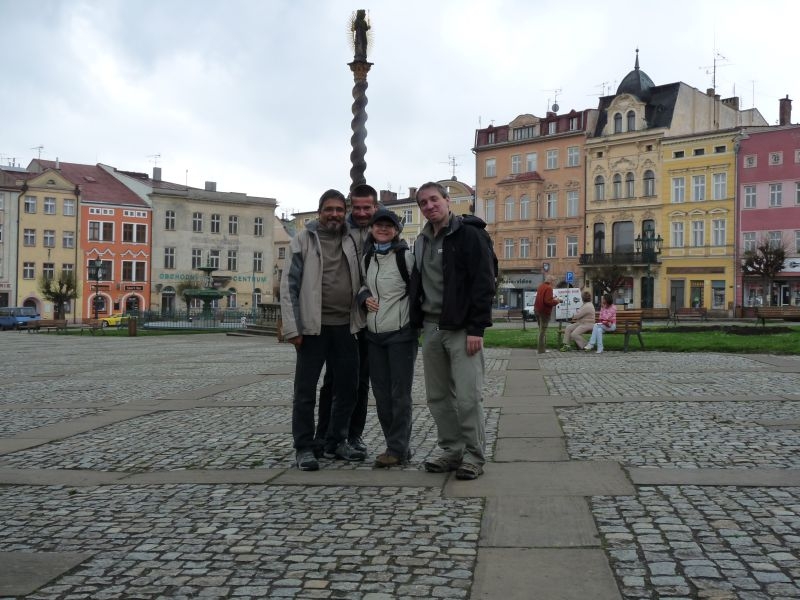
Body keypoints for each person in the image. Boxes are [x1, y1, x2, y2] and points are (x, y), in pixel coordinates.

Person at [409, 182, 495, 480]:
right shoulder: (421, 241)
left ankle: (473, 455)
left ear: (447, 201)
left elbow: (483, 282)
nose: (429, 206)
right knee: (438, 397)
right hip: (431, 326)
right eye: (423, 203)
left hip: (461, 328)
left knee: (468, 397)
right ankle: (451, 449)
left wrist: (476, 328)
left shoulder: (470, 234)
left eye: (434, 199)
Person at [280, 189, 366, 471]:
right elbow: (289, 286)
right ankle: (304, 447)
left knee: (348, 388)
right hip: (312, 328)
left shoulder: (352, 239)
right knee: (305, 391)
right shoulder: (303, 239)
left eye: (339, 210)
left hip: (346, 326)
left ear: (345, 213)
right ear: (319, 212)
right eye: (329, 209)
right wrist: (292, 328)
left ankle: (335, 441)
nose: (334, 214)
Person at [315, 184, 378, 456]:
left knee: (360, 381)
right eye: (357, 207)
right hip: (343, 316)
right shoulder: (342, 229)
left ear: (375, 207)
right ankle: (324, 435)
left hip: (370, 316)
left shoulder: (382, 229)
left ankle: (354, 434)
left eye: (367, 208)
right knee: (333, 380)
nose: (362, 213)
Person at [357, 208, 417, 468]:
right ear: (371, 229)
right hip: (374, 336)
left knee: (399, 395)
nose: (383, 229)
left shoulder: (405, 258)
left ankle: (396, 449)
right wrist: (363, 298)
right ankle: (397, 445)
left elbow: (418, 290)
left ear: (396, 231)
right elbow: (363, 285)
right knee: (381, 395)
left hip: (401, 335)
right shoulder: (367, 258)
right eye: (378, 225)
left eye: (388, 226)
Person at [534, 275, 562, 354]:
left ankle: (542, 348)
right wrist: (557, 301)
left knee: (541, 330)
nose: (555, 283)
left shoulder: (541, 286)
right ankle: (541, 350)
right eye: (554, 281)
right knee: (542, 331)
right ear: (551, 281)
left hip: (537, 309)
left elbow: (544, 299)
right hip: (544, 312)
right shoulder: (549, 288)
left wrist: (553, 299)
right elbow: (548, 301)